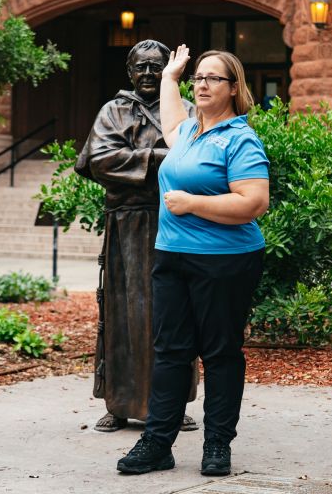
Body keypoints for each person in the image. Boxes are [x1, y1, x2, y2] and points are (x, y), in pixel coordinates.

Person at [116, 47, 269, 476]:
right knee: (170, 351)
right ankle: (158, 443)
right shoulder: (186, 134)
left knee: (220, 353)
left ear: (233, 88)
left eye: (212, 78)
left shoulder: (239, 139)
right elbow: (168, 119)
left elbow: (254, 202)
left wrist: (192, 204)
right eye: (197, 78)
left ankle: (217, 444)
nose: (201, 85)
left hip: (225, 260)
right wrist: (170, 74)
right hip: (173, 257)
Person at [75, 39, 198, 433]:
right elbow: (99, 160)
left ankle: (173, 405)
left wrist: (142, 160)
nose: (147, 74)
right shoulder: (114, 111)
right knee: (124, 314)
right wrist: (166, 158)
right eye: (140, 67)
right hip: (127, 225)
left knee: (173, 314)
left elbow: (201, 158)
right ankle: (120, 402)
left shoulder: (186, 110)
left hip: (177, 220)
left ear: (167, 71)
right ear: (130, 72)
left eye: (155, 67)